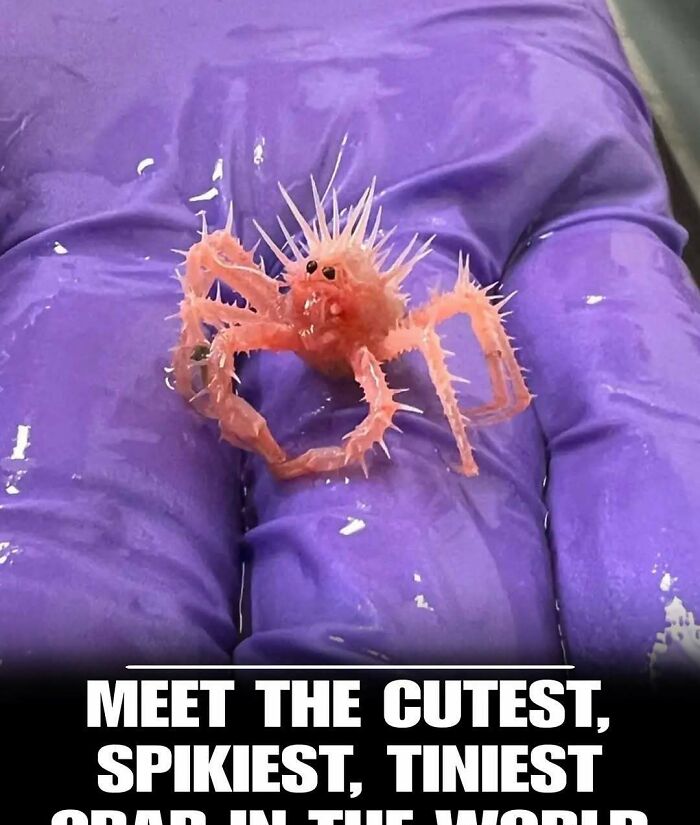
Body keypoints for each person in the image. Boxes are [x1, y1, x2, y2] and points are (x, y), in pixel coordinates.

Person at [1, 0, 698, 676]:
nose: (313, 293)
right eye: (310, 280)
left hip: (379, 323)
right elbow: (207, 270)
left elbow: (397, 391)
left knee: (466, 304)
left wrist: (459, 429)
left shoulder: (380, 339)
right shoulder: (285, 300)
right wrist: (204, 370)